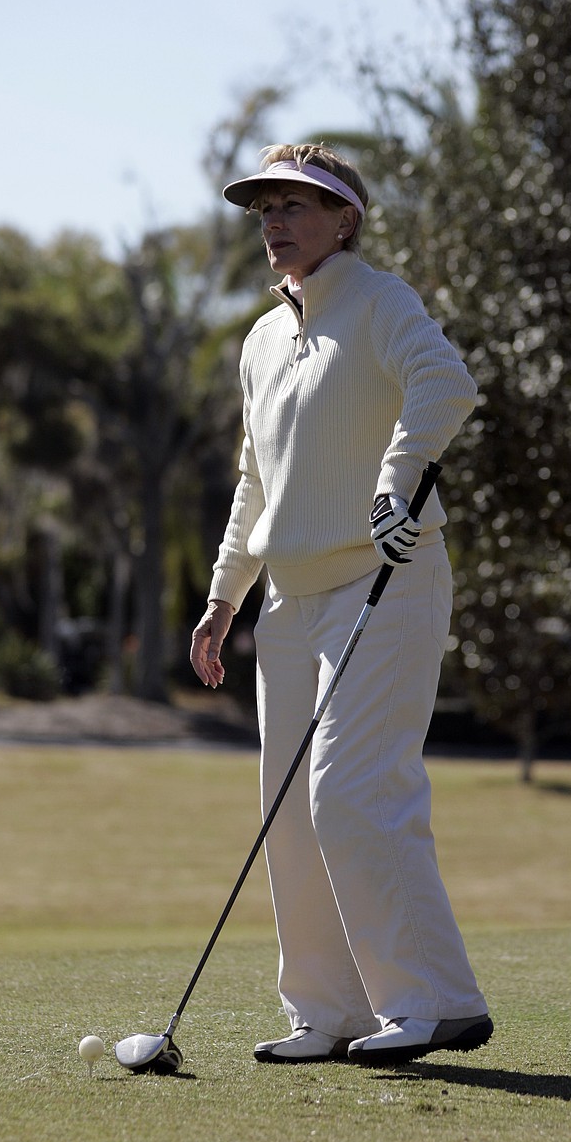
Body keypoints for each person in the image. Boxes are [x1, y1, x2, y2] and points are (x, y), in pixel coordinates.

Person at [190, 143, 492, 1067]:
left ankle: (436, 1000)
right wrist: (220, 597)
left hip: (385, 578)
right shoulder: (259, 339)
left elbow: (447, 384)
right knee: (288, 812)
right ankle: (330, 1012)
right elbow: (256, 480)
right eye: (267, 207)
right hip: (286, 602)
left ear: (345, 220)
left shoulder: (381, 300)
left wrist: (397, 483)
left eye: (299, 205)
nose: (277, 221)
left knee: (352, 791)